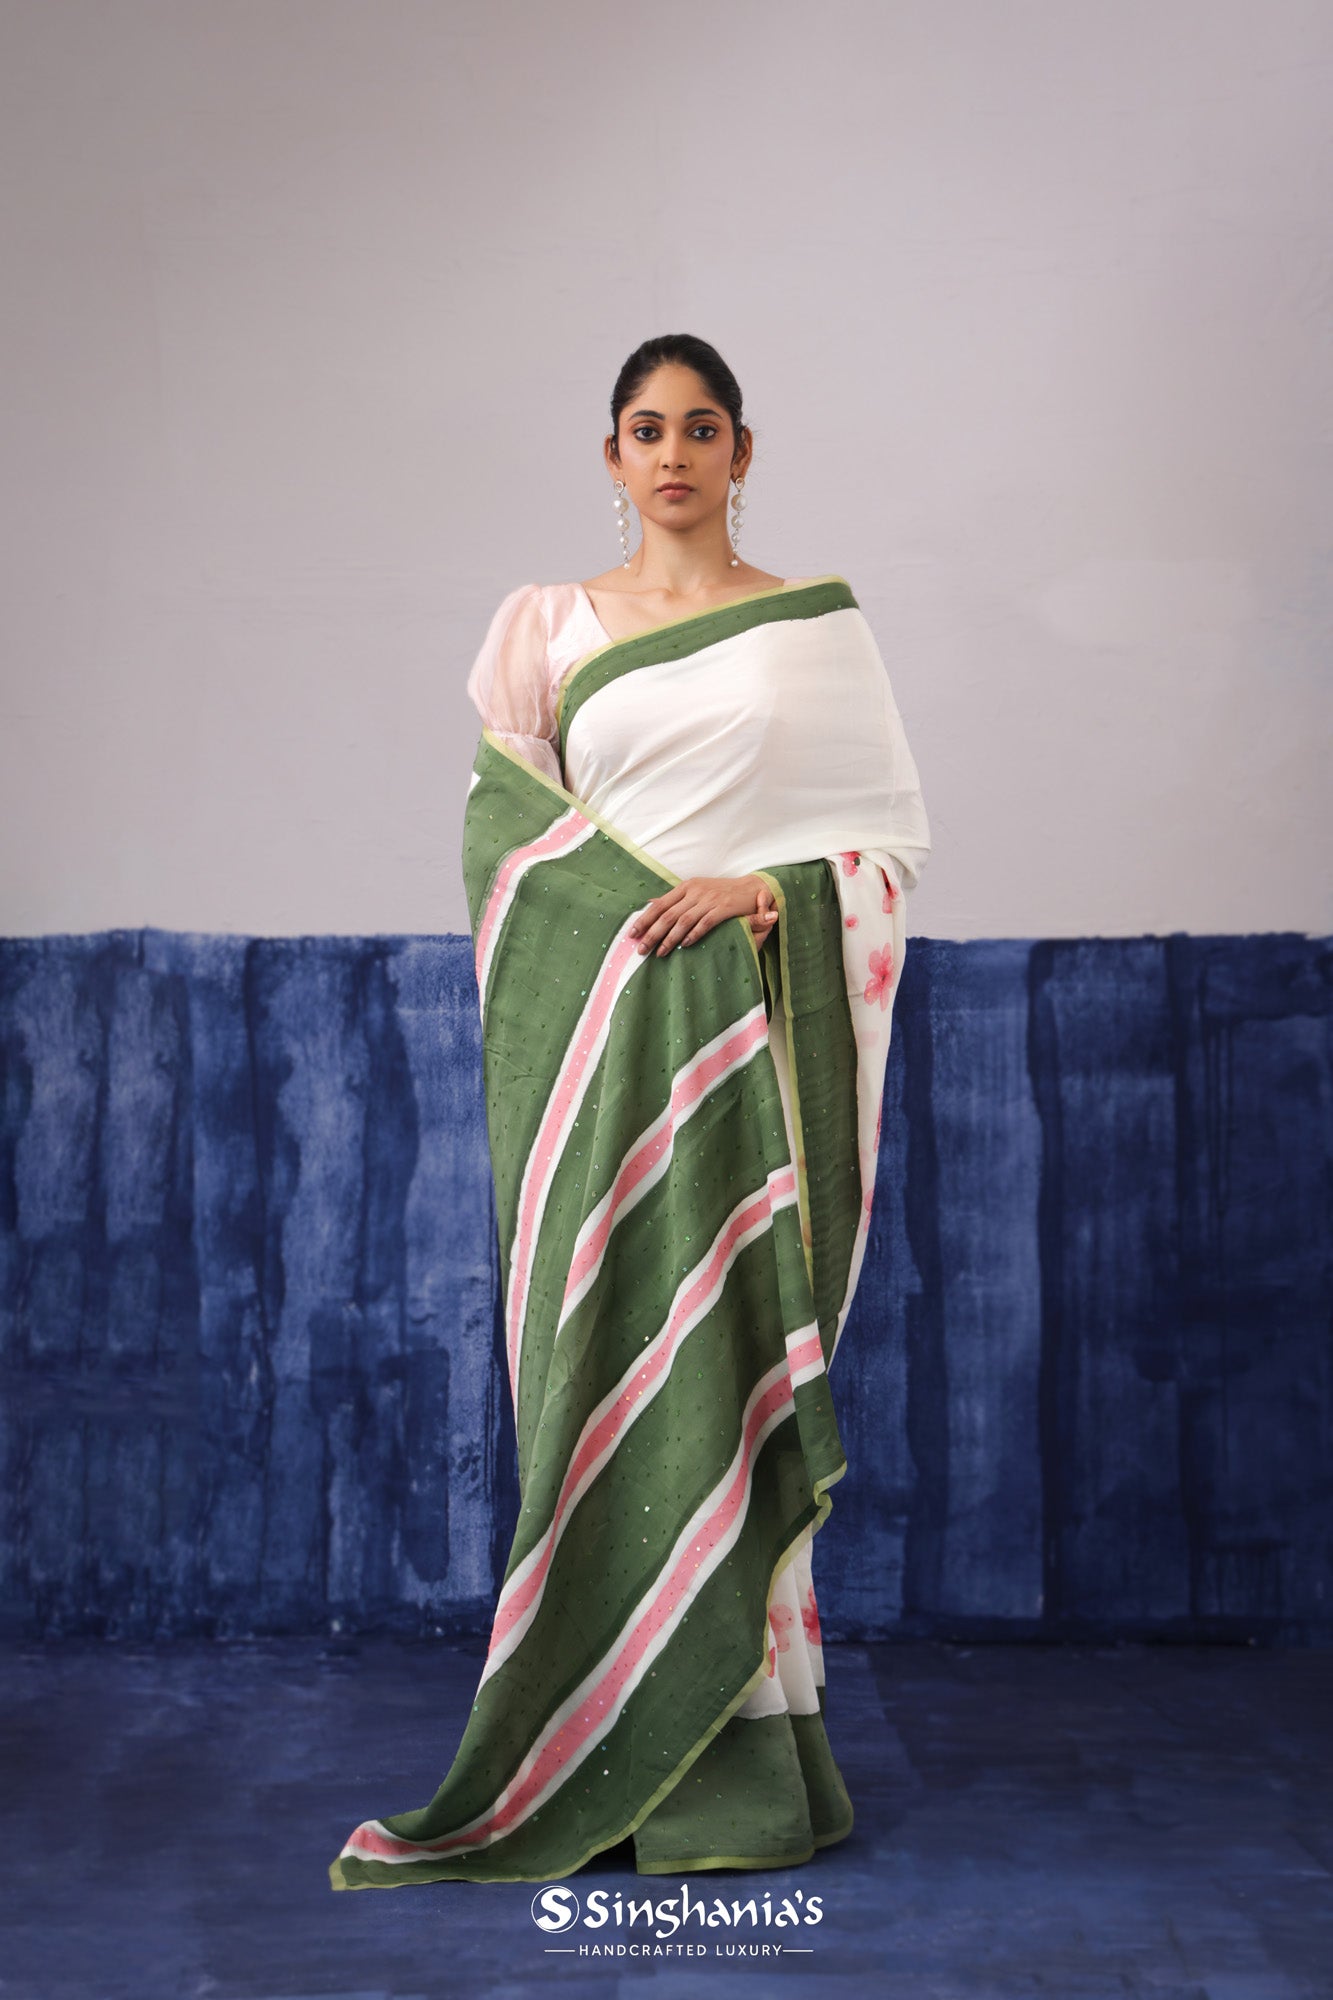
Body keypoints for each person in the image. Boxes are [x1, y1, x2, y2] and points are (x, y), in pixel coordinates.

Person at [330, 333, 930, 1891]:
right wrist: (630, 931)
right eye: (646, 429)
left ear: (742, 451)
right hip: (600, 1066)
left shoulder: (815, 631)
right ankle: (591, 1733)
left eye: (701, 427)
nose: (673, 454)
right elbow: (506, 855)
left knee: (734, 1362)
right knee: (604, 1364)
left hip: (758, 1059)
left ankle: (748, 1773)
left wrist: (763, 894)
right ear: (612, 456)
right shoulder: (544, 629)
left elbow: (879, 858)